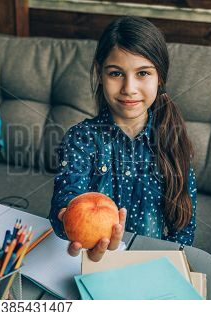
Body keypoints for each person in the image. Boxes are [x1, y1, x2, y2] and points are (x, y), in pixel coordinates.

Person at [48, 16, 197, 262]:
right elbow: (63, 205)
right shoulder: (81, 139)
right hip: (87, 261)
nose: (129, 87)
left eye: (143, 73)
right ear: (100, 73)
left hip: (152, 266)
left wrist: (166, 266)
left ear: (160, 77)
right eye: (116, 73)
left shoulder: (174, 142)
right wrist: (67, 221)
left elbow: (185, 230)